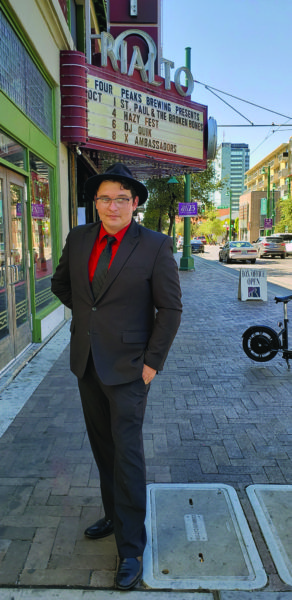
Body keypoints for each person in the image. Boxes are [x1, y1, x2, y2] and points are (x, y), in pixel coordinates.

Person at [51, 163, 182, 590]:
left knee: (127, 456)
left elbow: (171, 310)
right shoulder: (79, 238)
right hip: (87, 362)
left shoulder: (155, 246)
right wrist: (90, 321)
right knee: (103, 447)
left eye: (122, 199)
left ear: (135, 203)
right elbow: (61, 286)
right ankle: (113, 513)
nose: (113, 206)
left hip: (129, 370)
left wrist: (151, 364)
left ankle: (131, 548)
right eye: (105, 198)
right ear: (96, 202)